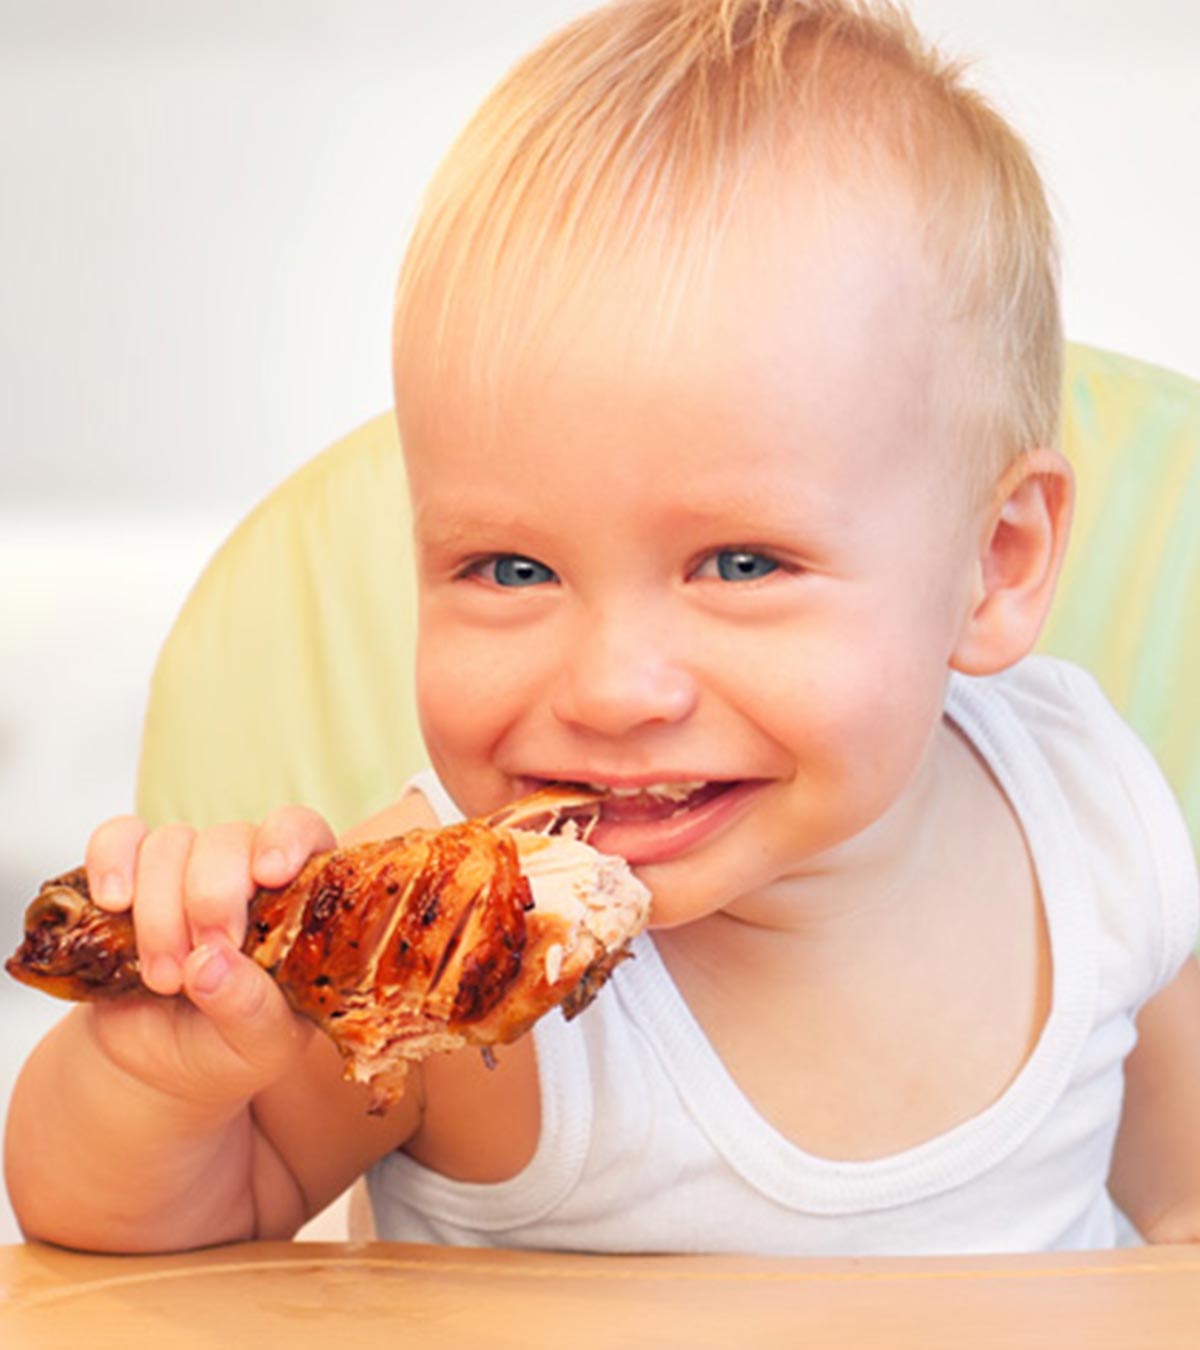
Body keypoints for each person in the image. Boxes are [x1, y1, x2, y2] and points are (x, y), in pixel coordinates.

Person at [7, 0, 1200, 1257]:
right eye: (511, 568)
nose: (616, 688)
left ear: (995, 562)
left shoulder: (1084, 810)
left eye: (740, 563)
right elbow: (141, 1240)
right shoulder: (433, 955)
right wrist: (168, 1080)